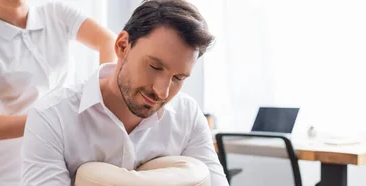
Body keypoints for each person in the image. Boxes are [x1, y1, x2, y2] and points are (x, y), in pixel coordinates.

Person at [21, 0, 229, 185]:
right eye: (155, 67)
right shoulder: (51, 117)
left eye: (178, 78)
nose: (162, 92)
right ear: (122, 46)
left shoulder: (187, 116)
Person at [0, 0, 117, 185]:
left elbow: (108, 40)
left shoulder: (56, 14)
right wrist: (54, 117)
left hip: (57, 165)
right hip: (8, 174)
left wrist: (100, 93)